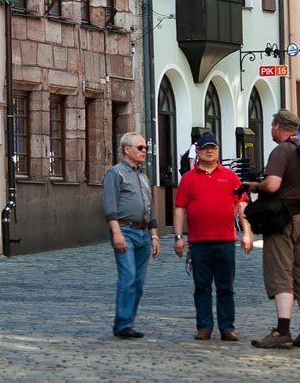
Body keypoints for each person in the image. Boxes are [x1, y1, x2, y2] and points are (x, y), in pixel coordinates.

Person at [245, 109, 300, 349]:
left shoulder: (281, 151)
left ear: (277, 126)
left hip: (282, 220)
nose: (271, 130)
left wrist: (255, 186)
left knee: (281, 273)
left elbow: (273, 184)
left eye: (272, 125)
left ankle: (282, 330)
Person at [173, 134, 253, 342]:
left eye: (213, 148)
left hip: (225, 240)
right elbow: (180, 208)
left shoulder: (230, 176)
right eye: (205, 148)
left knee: (226, 287)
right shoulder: (189, 178)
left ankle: (227, 327)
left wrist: (247, 232)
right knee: (202, 287)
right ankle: (204, 327)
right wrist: (179, 236)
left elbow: (242, 205)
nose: (209, 151)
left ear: (218, 151)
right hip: (198, 242)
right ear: (197, 152)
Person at [103, 132, 161, 339]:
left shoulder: (143, 176)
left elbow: (150, 207)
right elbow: (110, 205)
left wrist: (154, 236)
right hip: (125, 230)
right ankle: (122, 324)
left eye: (145, 148)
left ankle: (128, 322)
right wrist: (116, 233)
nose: (144, 151)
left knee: (138, 282)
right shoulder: (115, 174)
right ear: (127, 150)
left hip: (143, 233)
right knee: (127, 277)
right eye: (140, 148)